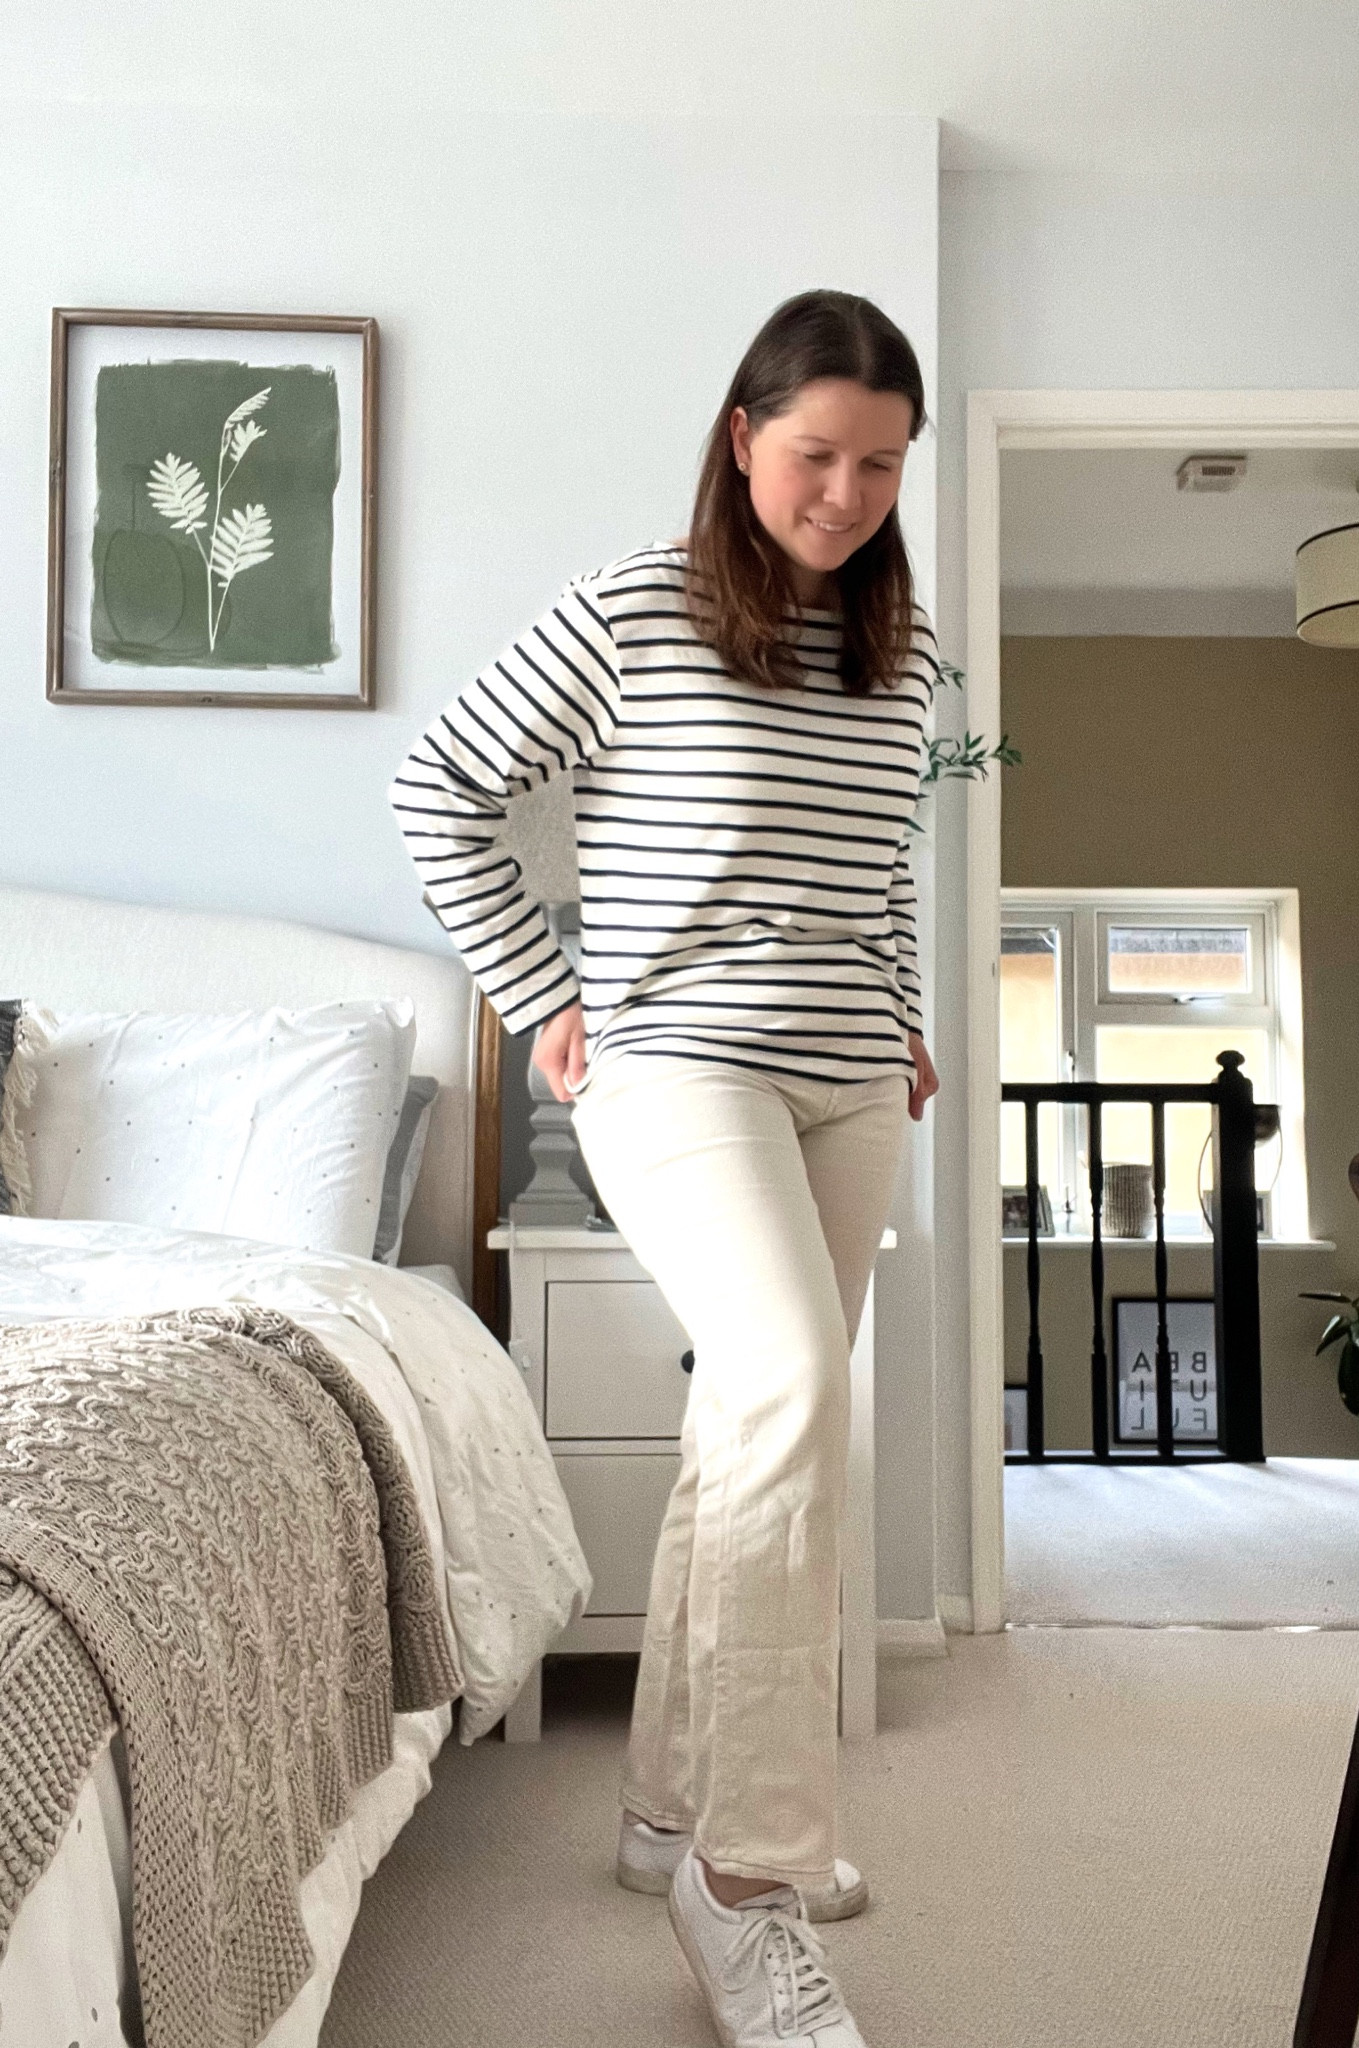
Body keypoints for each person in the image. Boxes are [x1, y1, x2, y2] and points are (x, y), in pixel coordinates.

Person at [392, 288, 939, 2048]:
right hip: (676, 1064)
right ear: (741, 437)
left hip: (849, 1077)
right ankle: (751, 1875)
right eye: (813, 456)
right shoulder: (638, 608)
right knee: (788, 1382)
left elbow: (886, 875)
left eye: (878, 464)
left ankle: (656, 1813)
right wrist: (539, 989)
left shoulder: (906, 656)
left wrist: (910, 1013)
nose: (844, 494)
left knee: (742, 1430)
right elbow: (439, 788)